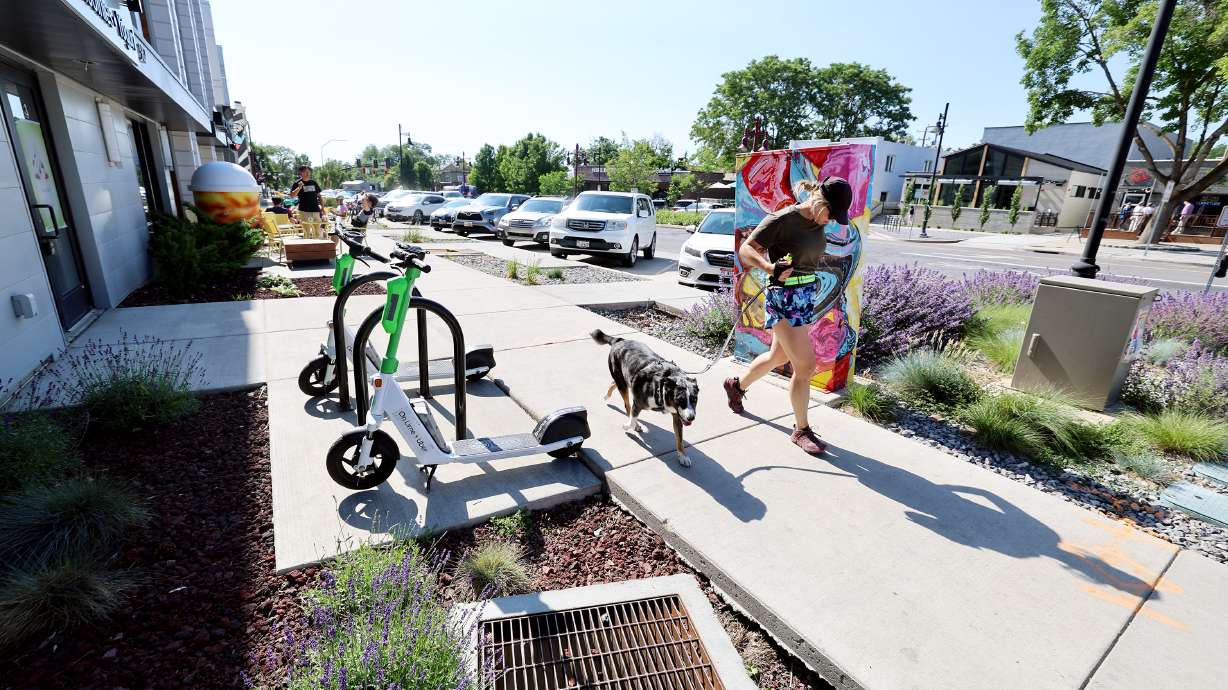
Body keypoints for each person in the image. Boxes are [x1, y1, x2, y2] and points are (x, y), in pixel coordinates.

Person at [724, 176, 854, 456]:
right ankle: (801, 429)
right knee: (806, 366)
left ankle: (736, 386)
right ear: (820, 200)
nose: (832, 220)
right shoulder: (783, 218)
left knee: (778, 357)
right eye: (832, 212)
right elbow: (746, 248)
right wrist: (769, 268)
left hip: (803, 298)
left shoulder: (817, 220)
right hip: (783, 299)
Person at [289, 166, 324, 239]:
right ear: (300, 173)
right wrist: (299, 187)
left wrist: (322, 208)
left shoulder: (313, 182)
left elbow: (319, 196)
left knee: (317, 232)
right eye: (305, 171)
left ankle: (317, 248)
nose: (308, 173)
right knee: (307, 232)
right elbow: (292, 195)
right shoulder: (297, 183)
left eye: (308, 171)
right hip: (304, 211)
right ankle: (307, 248)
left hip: (315, 210)